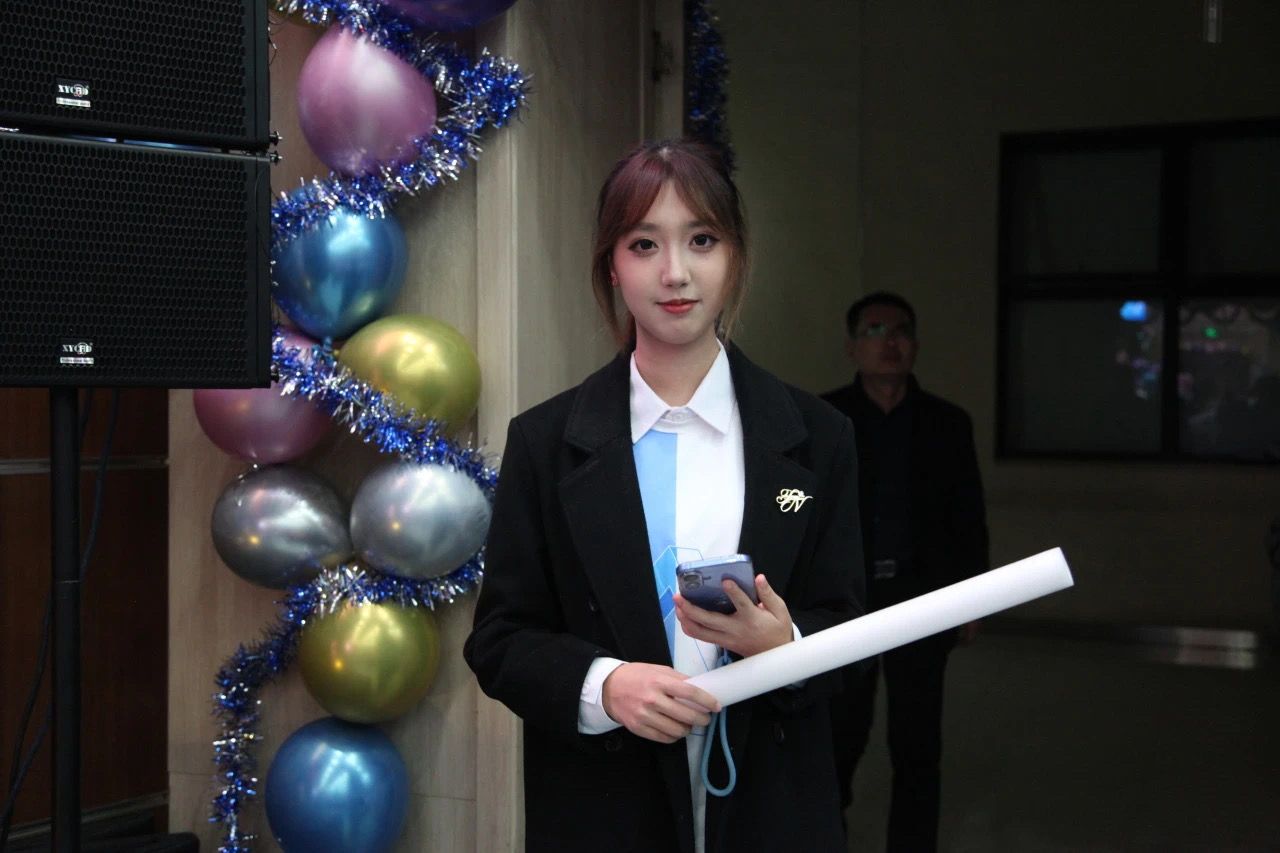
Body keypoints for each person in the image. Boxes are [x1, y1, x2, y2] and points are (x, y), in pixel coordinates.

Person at [464, 139, 864, 853]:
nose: (675, 272)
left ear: (735, 255)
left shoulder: (818, 437)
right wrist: (604, 685)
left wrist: (785, 645)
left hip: (772, 806)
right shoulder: (546, 441)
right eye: (644, 244)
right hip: (605, 809)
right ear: (611, 267)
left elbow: (852, 625)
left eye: (701, 240)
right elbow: (500, 639)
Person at [822, 292, 989, 852]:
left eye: (900, 331)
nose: (889, 342)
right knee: (839, 736)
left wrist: (973, 599)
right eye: (874, 330)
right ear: (852, 347)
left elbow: (968, 517)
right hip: (848, 600)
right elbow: (804, 511)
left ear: (914, 345)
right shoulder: (826, 420)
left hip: (924, 597)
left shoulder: (947, 424)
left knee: (917, 744)